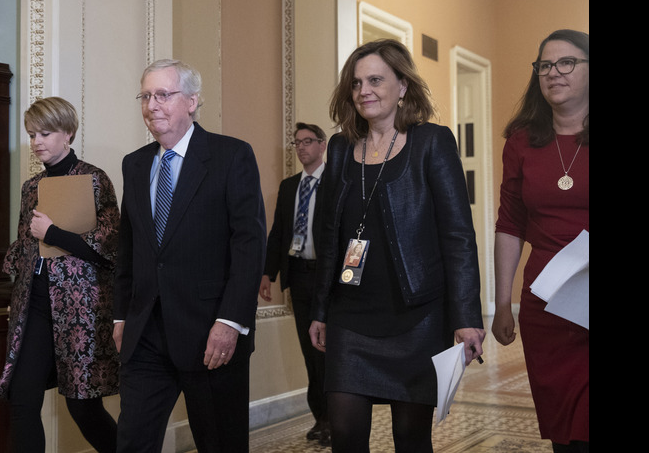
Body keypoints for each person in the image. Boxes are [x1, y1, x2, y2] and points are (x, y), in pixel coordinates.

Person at [308, 39, 485, 453]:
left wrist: (465, 315)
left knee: (410, 439)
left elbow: (458, 235)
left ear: (402, 86)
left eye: (375, 80)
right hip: (350, 316)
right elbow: (330, 235)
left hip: (417, 318)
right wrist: (320, 309)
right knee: (346, 437)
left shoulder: (431, 142)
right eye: (355, 83)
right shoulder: (338, 148)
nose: (363, 90)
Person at [113, 59, 266, 453]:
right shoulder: (134, 164)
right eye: (145, 96)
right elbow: (128, 248)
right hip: (145, 332)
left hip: (210, 334)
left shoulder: (231, 156)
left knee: (220, 444)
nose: (152, 105)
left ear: (192, 101)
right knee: (132, 442)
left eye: (163, 94)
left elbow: (249, 246)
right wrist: (120, 316)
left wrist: (231, 321)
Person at [0, 97, 120, 453]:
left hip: (80, 309)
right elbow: (23, 244)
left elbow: (109, 246)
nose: (36, 142)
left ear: (68, 133)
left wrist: (54, 234)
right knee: (22, 399)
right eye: (32, 134)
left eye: (45, 133)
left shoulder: (94, 179)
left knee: (83, 406)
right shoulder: (31, 187)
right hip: (33, 304)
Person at [492, 30, 589, 453]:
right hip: (546, 303)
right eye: (545, 66)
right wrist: (500, 303)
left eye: (566, 63)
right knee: (565, 434)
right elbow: (510, 223)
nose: (553, 73)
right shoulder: (521, 142)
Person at [259, 122, 331, 446]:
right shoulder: (290, 187)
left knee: (328, 352)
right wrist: (267, 273)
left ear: (322, 144)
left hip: (328, 279)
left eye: (307, 142)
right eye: (297, 143)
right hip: (299, 276)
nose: (301, 148)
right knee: (309, 352)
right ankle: (321, 418)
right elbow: (278, 234)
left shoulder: (335, 183)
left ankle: (337, 419)